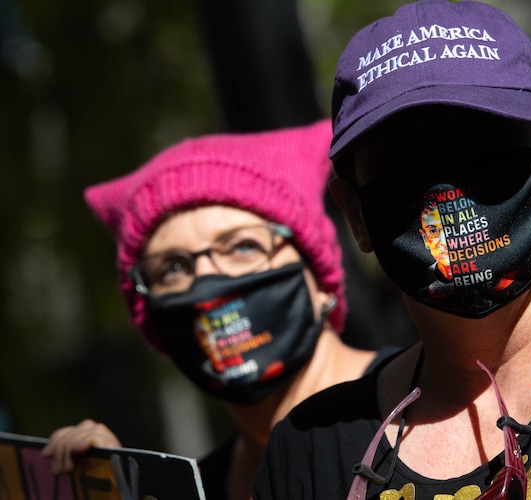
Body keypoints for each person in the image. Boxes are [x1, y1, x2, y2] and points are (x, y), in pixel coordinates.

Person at [253, 1, 531, 498]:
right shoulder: (311, 450)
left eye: (482, 141)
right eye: (403, 158)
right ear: (356, 214)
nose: (446, 183)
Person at [41, 120, 397, 500]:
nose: (208, 283)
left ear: (319, 279)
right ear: (156, 326)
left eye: (243, 247)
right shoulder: (195, 489)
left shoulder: (420, 403)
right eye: (173, 268)